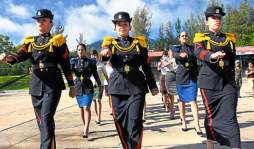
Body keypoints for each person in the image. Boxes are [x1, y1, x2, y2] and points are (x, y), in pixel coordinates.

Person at [0, 9, 76, 149]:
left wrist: (72, 86)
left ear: (51, 23)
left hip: (53, 85)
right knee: (42, 121)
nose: (40, 22)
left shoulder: (58, 42)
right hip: (36, 85)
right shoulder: (30, 42)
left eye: (44, 20)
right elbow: (19, 57)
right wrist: (8, 58)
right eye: (38, 20)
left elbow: (66, 65)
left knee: (46, 118)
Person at [100, 11, 159, 149]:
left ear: (130, 26)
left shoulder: (139, 43)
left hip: (136, 87)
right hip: (117, 87)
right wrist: (105, 54)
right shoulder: (110, 43)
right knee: (119, 121)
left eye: (125, 24)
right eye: (118, 24)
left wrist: (152, 85)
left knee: (135, 121)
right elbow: (104, 56)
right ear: (115, 27)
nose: (122, 26)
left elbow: (146, 65)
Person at [193, 6, 241, 149]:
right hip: (209, 83)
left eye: (219, 18)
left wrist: (234, 77)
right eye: (213, 18)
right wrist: (211, 55)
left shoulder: (229, 38)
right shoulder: (201, 37)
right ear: (206, 21)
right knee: (211, 116)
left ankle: (236, 146)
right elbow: (198, 52)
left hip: (228, 82)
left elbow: (232, 60)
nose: (217, 20)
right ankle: (210, 145)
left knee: (230, 116)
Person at [173, 31, 202, 136]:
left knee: (193, 101)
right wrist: (181, 55)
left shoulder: (192, 47)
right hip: (181, 77)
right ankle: (184, 122)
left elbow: (195, 59)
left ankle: (197, 124)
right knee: (182, 102)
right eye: (182, 36)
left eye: (186, 35)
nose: (184, 37)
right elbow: (176, 55)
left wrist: (198, 76)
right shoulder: (176, 47)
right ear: (179, 38)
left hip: (192, 77)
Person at [70, 44, 101, 138]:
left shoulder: (91, 61)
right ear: (77, 51)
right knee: (81, 108)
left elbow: (95, 73)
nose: (80, 51)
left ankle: (86, 129)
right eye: (79, 49)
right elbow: (70, 73)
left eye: (82, 49)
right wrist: (71, 85)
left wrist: (99, 84)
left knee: (87, 107)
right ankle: (85, 126)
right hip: (78, 86)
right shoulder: (73, 61)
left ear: (85, 50)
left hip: (88, 86)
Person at [91, 50, 108, 124]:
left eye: (95, 55)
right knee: (94, 101)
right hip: (92, 85)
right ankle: (97, 115)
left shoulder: (101, 65)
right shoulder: (89, 64)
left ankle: (99, 117)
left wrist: (110, 83)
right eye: (92, 55)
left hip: (100, 85)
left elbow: (106, 75)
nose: (93, 56)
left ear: (97, 56)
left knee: (98, 100)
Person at [164, 50, 177, 119]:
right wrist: (171, 61)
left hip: (177, 74)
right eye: (170, 51)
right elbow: (165, 64)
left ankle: (181, 113)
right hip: (169, 75)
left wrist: (172, 61)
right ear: (168, 52)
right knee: (170, 95)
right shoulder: (165, 58)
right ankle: (172, 112)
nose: (172, 52)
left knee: (179, 95)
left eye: (172, 51)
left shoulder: (176, 58)